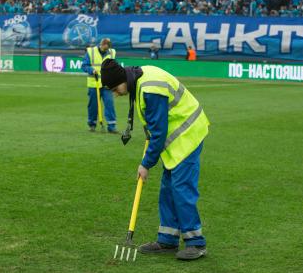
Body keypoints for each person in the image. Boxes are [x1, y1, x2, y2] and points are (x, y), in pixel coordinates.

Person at [101, 59, 210, 261]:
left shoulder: (150, 89)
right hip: (176, 140)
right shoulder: (138, 79)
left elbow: (159, 132)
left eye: (115, 88)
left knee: (181, 189)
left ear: (121, 79)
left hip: (187, 135)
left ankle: (196, 243)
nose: (116, 93)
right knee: (168, 188)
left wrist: (146, 164)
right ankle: (168, 239)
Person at [81, 38, 118, 133]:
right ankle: (92, 124)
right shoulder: (91, 52)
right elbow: (84, 66)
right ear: (101, 45)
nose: (105, 50)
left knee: (109, 104)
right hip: (94, 84)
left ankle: (111, 126)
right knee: (93, 105)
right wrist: (91, 70)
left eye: (107, 48)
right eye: (103, 48)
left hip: (107, 84)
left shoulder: (112, 53)